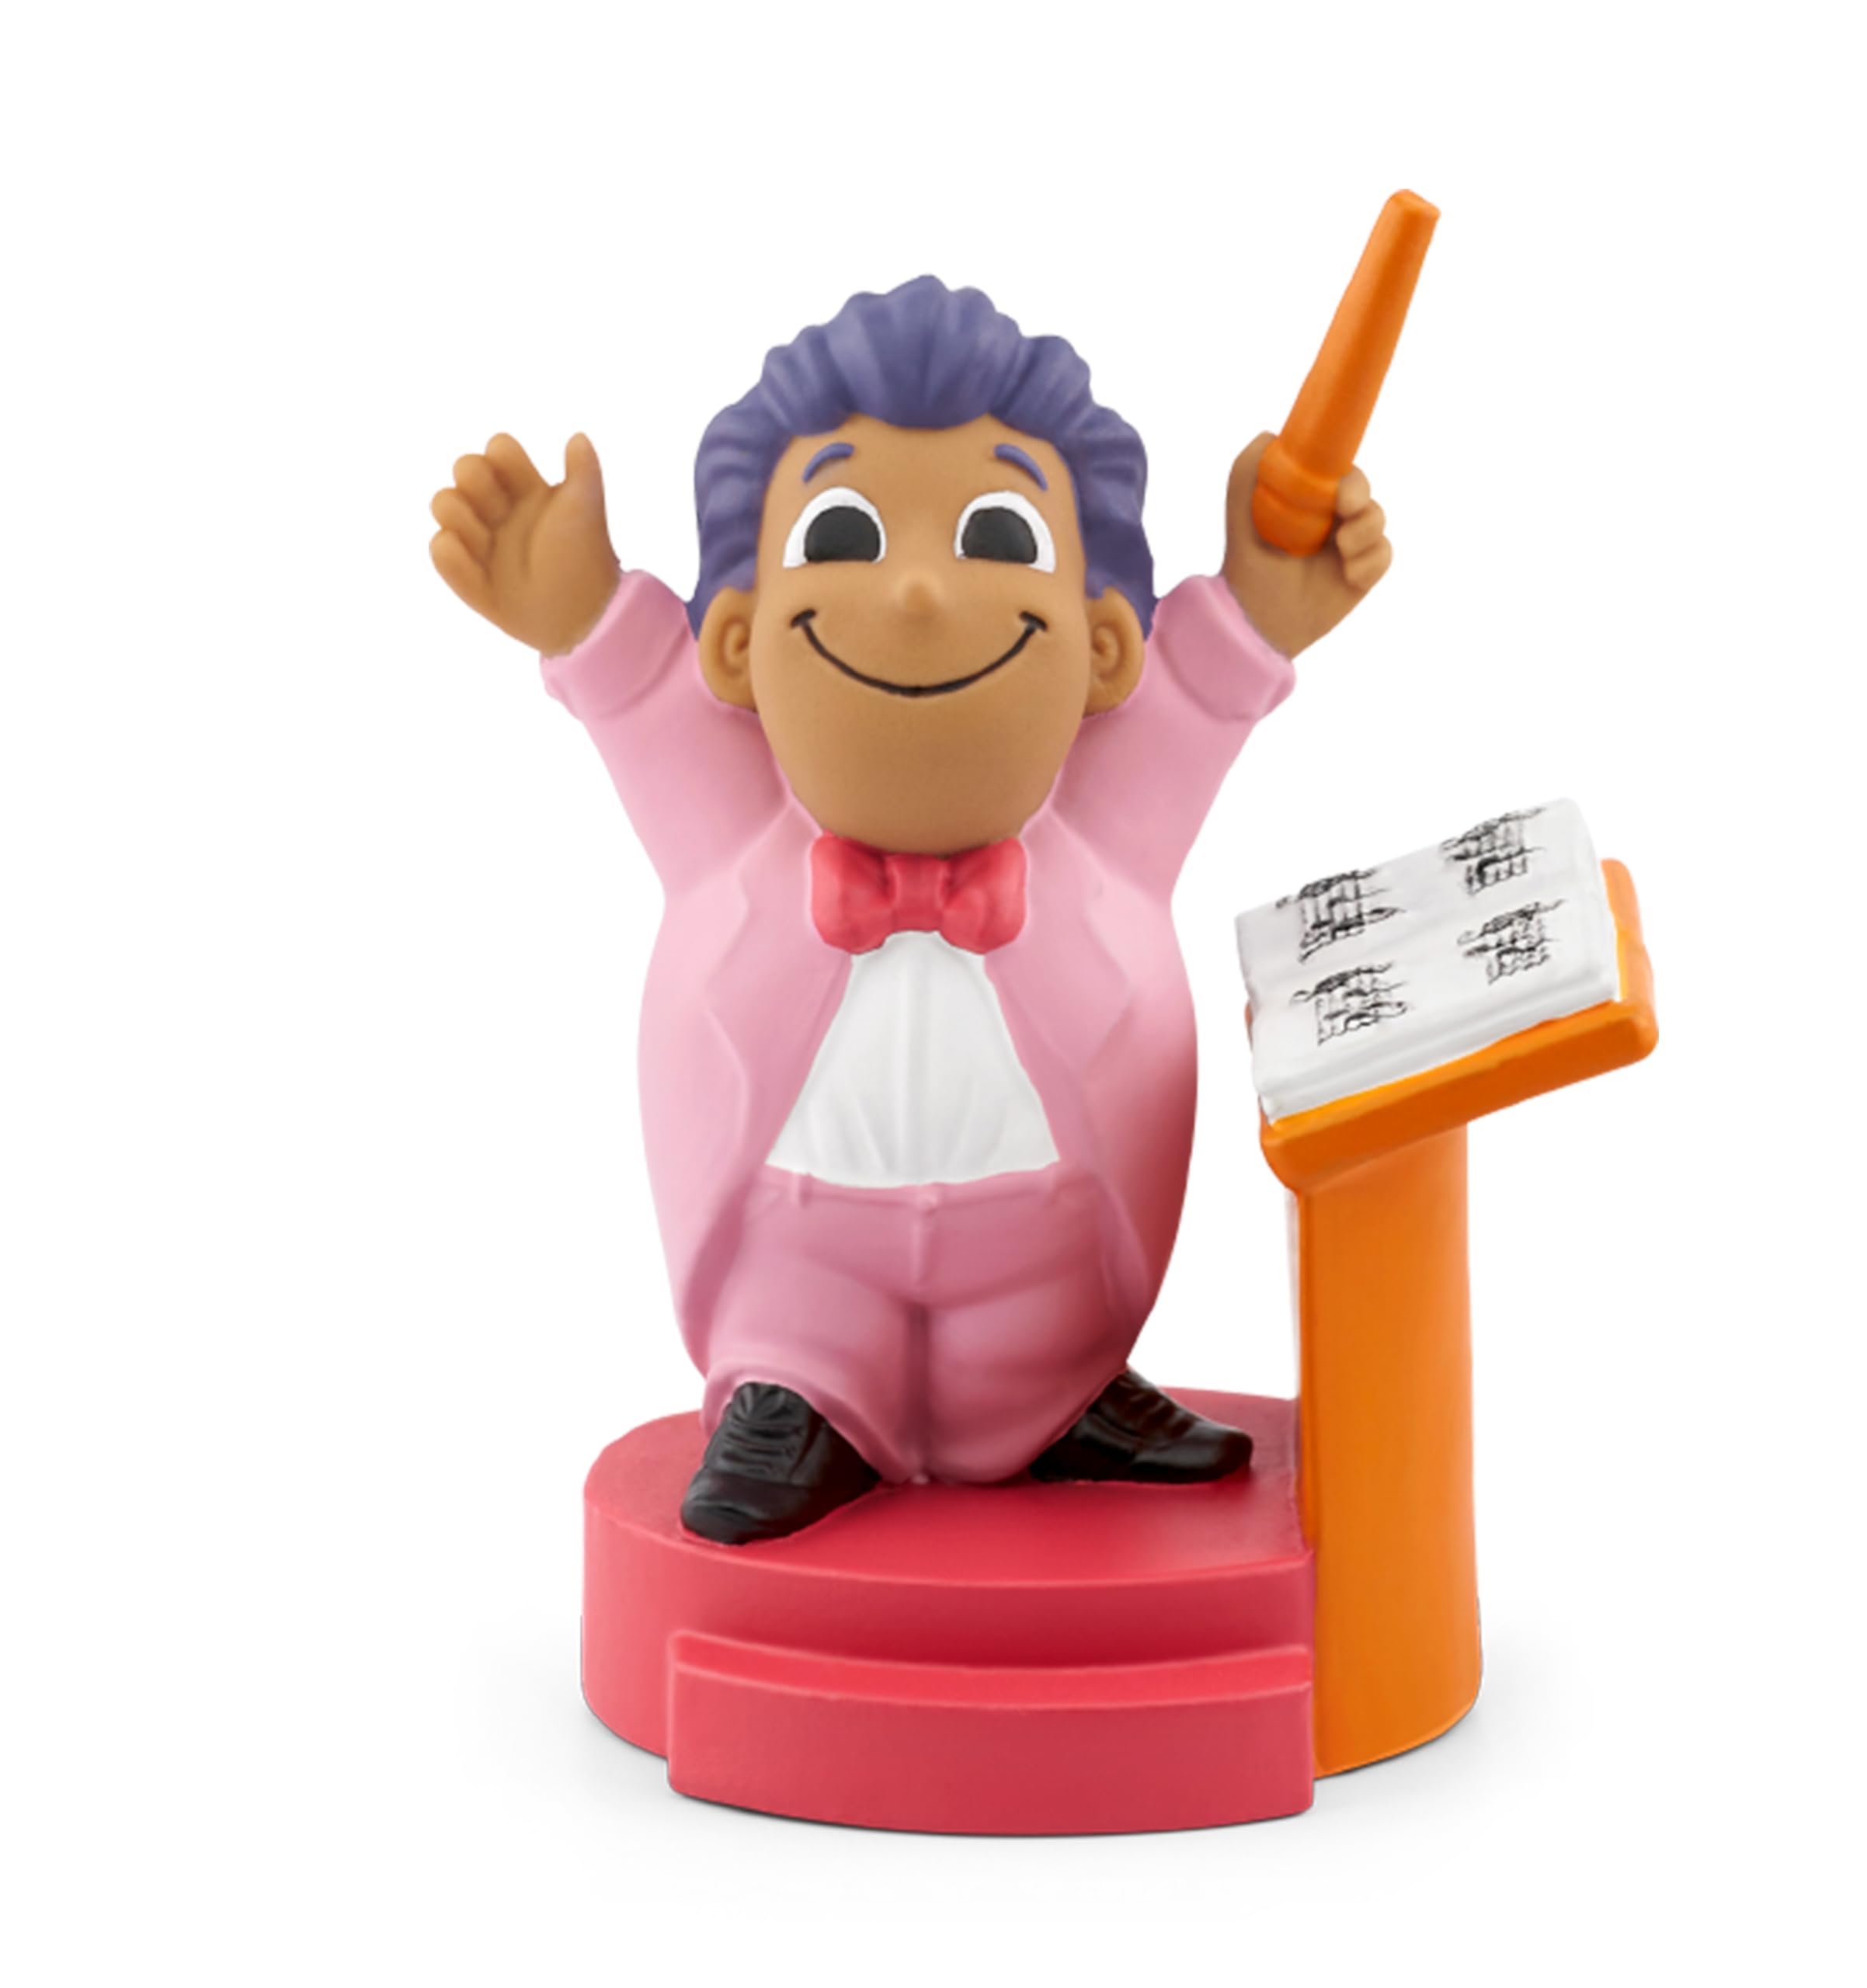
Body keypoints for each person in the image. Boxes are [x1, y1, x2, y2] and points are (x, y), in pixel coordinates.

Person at [429, 277, 1392, 1543]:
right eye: (844, 537)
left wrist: (1262, 604)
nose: (923, 596)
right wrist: (583, 615)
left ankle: (1054, 1395)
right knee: (802, 1341)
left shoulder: (1110, 820)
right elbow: (642, 699)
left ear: (1104, 643)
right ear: (737, 640)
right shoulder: (725, 819)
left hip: (1048, 1238)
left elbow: (1198, 700)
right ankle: (796, 1395)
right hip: (797, 1239)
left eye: (997, 537)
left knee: (1037, 1339)